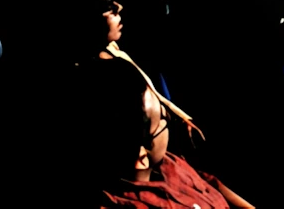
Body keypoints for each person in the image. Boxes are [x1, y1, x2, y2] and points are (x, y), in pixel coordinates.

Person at [66, 58, 254, 207]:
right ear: (141, 157)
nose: (169, 122)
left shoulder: (168, 161)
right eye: (163, 120)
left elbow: (210, 183)